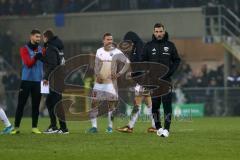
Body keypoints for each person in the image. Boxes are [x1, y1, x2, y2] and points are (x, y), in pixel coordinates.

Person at [142, 23, 181, 137]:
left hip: (166, 80)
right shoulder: (148, 46)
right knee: (155, 105)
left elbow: (177, 60)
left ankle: (167, 129)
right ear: (154, 32)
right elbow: (143, 61)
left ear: (164, 31)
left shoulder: (170, 45)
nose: (159, 34)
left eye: (160, 31)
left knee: (167, 105)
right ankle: (158, 128)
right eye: (157, 32)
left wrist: (170, 72)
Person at [87, 33, 130, 133]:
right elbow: (96, 65)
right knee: (94, 103)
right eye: (108, 39)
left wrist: (119, 74)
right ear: (103, 41)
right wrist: (97, 75)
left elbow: (127, 62)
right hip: (99, 83)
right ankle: (94, 127)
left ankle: (110, 127)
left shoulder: (116, 51)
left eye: (111, 39)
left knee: (111, 105)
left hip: (111, 84)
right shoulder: (99, 51)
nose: (110, 41)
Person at [116, 31, 156, 133]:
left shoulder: (140, 47)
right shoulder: (136, 47)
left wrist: (133, 74)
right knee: (149, 104)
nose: (126, 43)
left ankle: (130, 126)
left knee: (137, 103)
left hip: (143, 79)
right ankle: (155, 125)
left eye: (127, 41)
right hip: (144, 79)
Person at [11, 29, 43, 134]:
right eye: (37, 37)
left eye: (39, 37)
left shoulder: (42, 50)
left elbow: (47, 62)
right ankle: (16, 127)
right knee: (21, 104)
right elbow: (28, 63)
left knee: (36, 105)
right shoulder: (24, 49)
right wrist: (36, 57)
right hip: (26, 81)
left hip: (37, 81)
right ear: (31, 37)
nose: (39, 39)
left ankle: (34, 127)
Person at [41, 29, 69, 134]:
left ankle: (64, 128)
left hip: (55, 79)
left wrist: (45, 77)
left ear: (46, 38)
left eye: (43, 37)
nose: (43, 40)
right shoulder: (58, 47)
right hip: (59, 78)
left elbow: (52, 65)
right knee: (49, 102)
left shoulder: (51, 48)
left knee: (57, 104)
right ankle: (53, 126)